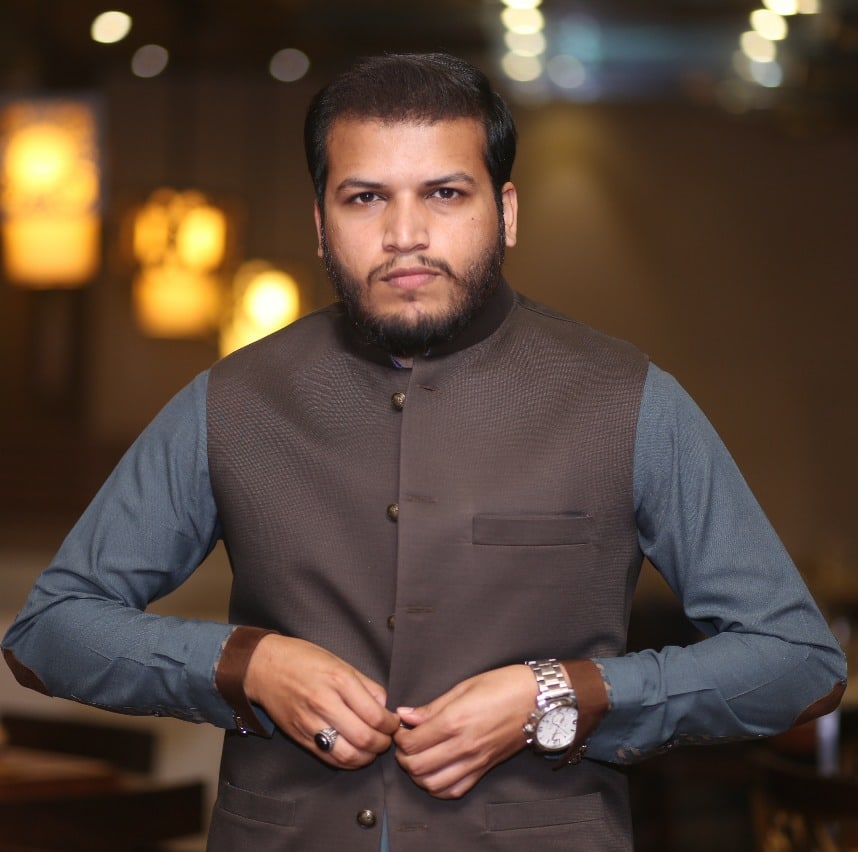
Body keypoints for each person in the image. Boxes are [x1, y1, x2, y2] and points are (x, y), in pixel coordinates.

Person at [2, 53, 847, 851]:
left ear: (505, 212)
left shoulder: (627, 401)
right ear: (321, 223)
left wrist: (560, 695)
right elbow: (50, 630)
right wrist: (246, 666)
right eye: (365, 198)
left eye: (444, 193)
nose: (405, 234)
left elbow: (797, 663)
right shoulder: (233, 401)